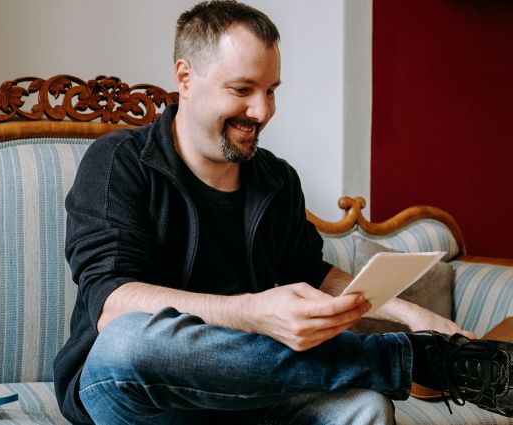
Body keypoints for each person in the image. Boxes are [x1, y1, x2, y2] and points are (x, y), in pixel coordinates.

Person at [54, 1, 513, 424]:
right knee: (129, 341)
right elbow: (112, 305)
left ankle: (419, 356)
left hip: (248, 392)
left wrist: (410, 313)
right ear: (185, 76)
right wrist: (254, 311)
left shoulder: (276, 180)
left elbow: (309, 271)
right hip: (139, 395)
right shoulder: (118, 163)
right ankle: (411, 362)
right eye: (243, 89)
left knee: (365, 408)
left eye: (271, 90)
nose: (262, 111)